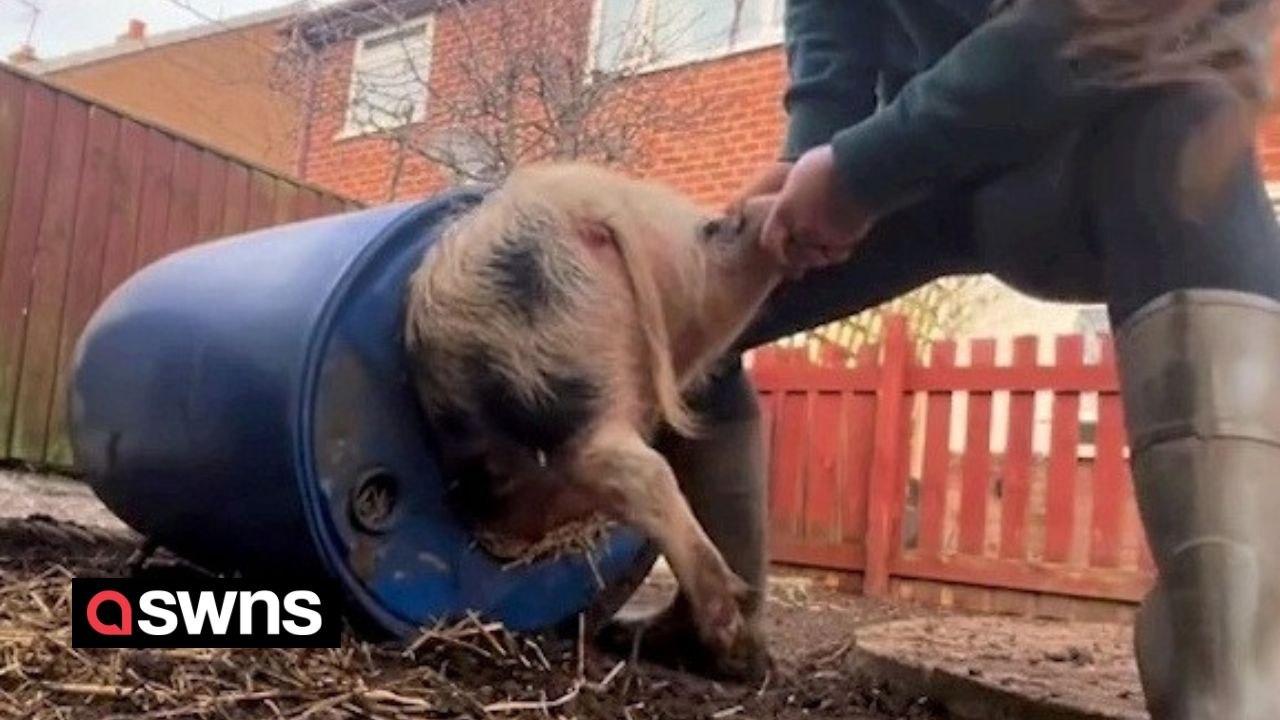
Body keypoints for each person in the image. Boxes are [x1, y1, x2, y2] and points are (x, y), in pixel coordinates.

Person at [609, 1, 1280, 718]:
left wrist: (861, 169)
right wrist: (814, 141)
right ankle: (718, 626)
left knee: (1190, 124)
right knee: (692, 320)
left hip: (1120, 125)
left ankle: (1231, 681)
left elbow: (1110, 23)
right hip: (930, 152)